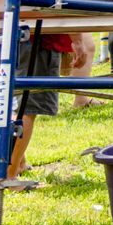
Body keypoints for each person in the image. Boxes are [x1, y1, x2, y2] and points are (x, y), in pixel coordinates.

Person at [6, 25, 73, 181]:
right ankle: (8, 176)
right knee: (27, 109)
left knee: (14, 103)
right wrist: (77, 40)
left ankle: (18, 164)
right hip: (36, 37)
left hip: (11, 32)